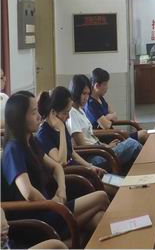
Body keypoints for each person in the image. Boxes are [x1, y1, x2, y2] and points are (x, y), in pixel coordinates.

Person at [1, 92, 109, 241]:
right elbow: (28, 192)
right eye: (34, 112)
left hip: (51, 208)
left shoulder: (31, 142)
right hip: (37, 219)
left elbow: (56, 167)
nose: (39, 116)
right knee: (101, 197)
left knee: (99, 218)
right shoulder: (13, 149)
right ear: (19, 117)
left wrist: (61, 191)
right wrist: (52, 204)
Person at [68, 74, 142, 171]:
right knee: (133, 145)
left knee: (131, 146)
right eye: (83, 94)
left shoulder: (80, 110)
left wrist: (106, 146)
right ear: (75, 92)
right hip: (94, 157)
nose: (86, 97)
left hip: (100, 150)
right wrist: (105, 148)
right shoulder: (72, 113)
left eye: (88, 94)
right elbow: (83, 145)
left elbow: (91, 138)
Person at [35, 88, 106, 178]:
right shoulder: (43, 134)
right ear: (53, 112)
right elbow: (61, 162)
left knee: (107, 177)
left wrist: (90, 167)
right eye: (65, 113)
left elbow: (72, 153)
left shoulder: (61, 123)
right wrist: (61, 129)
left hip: (75, 169)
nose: (68, 117)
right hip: (68, 176)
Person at [85, 68, 148, 144]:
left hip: (115, 135)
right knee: (143, 134)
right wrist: (108, 118)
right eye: (105, 84)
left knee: (144, 133)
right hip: (109, 140)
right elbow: (106, 125)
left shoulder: (100, 98)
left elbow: (115, 116)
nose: (107, 87)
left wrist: (106, 117)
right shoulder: (91, 104)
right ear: (97, 85)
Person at [2, 207, 68, 249]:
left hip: (9, 244)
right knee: (58, 246)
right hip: (37, 216)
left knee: (57, 245)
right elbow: (30, 195)